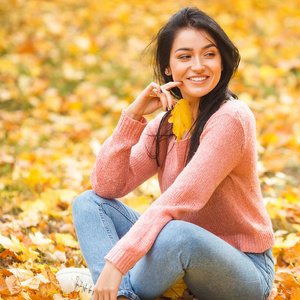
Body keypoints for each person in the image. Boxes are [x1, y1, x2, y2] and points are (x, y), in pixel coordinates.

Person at [56, 6, 275, 300]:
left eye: (209, 54)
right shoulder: (166, 124)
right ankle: (119, 295)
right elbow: (107, 186)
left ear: (221, 60)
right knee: (89, 203)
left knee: (176, 232)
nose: (198, 66)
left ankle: (105, 286)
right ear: (168, 68)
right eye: (185, 56)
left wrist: (115, 263)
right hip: (182, 258)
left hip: (244, 271)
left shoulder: (231, 118)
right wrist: (131, 118)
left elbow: (182, 199)